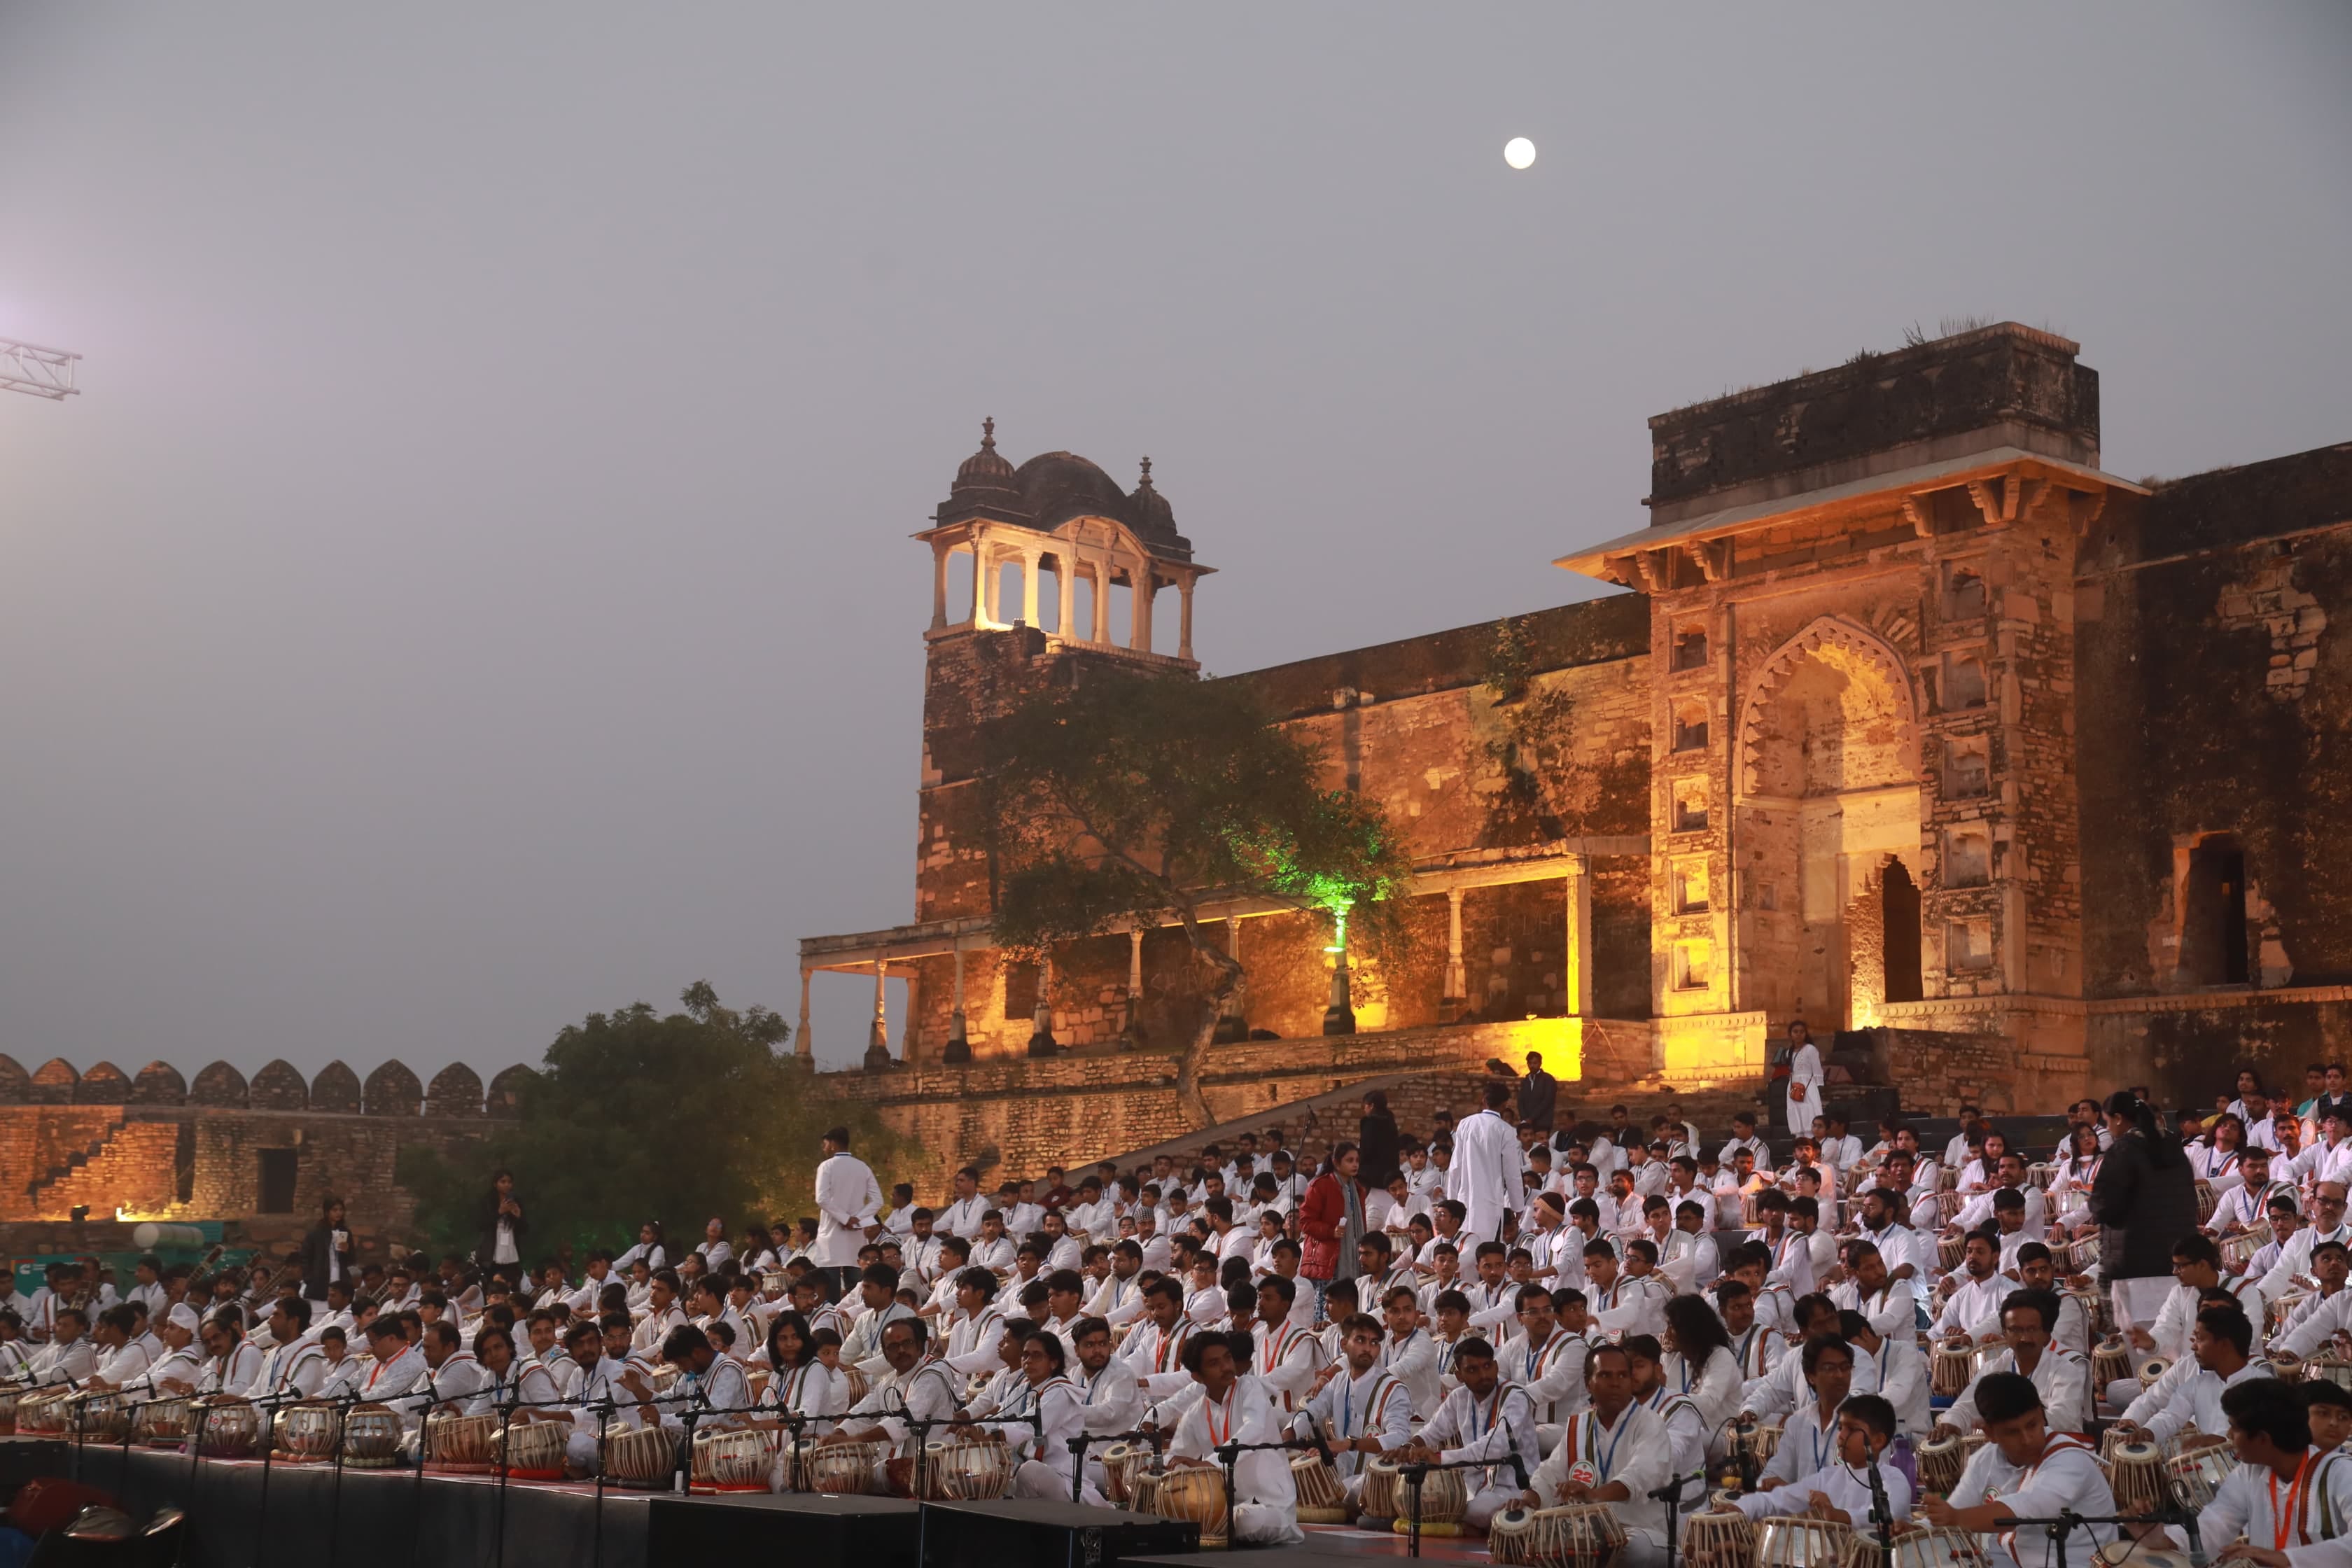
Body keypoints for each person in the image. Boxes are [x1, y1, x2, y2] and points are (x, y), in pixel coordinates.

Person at [1924, 1371, 2116, 1568]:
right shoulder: (1985, 1459)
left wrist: (1956, 1519)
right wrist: (1915, 1529)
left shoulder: (2071, 1460)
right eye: (2012, 1432)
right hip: (2011, 1560)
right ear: (1990, 1433)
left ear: (2042, 1415)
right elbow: (1955, 1509)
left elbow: (2025, 1509)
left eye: (2032, 1425)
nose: (2027, 1439)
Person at [1520, 1342, 1672, 1564]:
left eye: (1622, 1376)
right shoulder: (1578, 1425)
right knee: (1533, 1540)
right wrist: (1529, 1501)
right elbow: (1549, 1473)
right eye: (1605, 1375)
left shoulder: (1650, 1423)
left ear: (1631, 1381)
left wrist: (1593, 1495)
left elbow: (1641, 1475)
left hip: (1641, 1529)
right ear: (1588, 1384)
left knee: (1631, 1548)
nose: (1615, 1383)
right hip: (1587, 1531)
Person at [1161, 1331, 1303, 1544]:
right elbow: (1177, 1457)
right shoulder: (1196, 1413)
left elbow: (1252, 1430)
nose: (1227, 1367)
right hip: (1222, 1506)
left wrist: (1206, 1466)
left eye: (1228, 1358)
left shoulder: (1249, 1387)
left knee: (1246, 1520)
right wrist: (1158, 1470)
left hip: (1270, 1507)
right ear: (1198, 1377)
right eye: (1214, 1363)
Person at [2090, 1090, 2200, 1328]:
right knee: (2173, 1346)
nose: (2108, 1129)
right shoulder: (2175, 1151)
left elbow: (2103, 1207)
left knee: (2141, 1353)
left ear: (2119, 1118)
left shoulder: (2123, 1151)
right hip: (2177, 1265)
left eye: (2107, 1122)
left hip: (2134, 1264)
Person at [1298, 1143, 1368, 1322]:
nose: (1355, 1165)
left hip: (1352, 1253)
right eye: (1350, 1161)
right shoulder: (1320, 1185)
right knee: (1327, 1312)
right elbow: (1306, 1222)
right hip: (1328, 1257)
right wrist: (1331, 1231)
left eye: (1357, 1161)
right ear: (1337, 1163)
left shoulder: (1358, 1188)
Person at [813, 1126, 883, 1297]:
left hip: (831, 1235)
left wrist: (845, 1219)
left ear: (833, 1144)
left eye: (825, 1144)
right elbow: (878, 1201)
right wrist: (857, 1219)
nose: (824, 1148)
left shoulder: (827, 1166)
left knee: (830, 1294)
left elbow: (821, 1198)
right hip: (855, 1235)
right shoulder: (863, 1167)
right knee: (857, 1290)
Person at [1453, 1082, 1525, 1245]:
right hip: (1491, 1201)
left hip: (1465, 1198)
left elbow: (1455, 1166)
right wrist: (1517, 1206)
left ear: (1483, 1100)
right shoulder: (1505, 1130)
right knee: (1487, 1249)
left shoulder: (1465, 1124)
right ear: (1505, 1104)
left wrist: (1452, 1201)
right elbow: (1512, 1173)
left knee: (1464, 1247)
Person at [300, 1198, 355, 1304]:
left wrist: (346, 1251)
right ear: (327, 1212)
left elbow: (352, 1260)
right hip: (320, 1277)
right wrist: (309, 1278)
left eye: (340, 1210)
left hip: (339, 1274)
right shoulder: (316, 1233)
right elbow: (305, 1257)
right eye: (335, 1210)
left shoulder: (345, 1232)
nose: (338, 1213)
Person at [480, 1170, 527, 1289]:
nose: (507, 1185)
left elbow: (525, 1229)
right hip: (493, 1253)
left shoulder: (516, 1201)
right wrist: (499, 1212)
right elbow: (481, 1225)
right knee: (493, 1286)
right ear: (495, 1184)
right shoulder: (487, 1202)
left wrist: (518, 1217)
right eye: (503, 1182)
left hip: (511, 1251)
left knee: (512, 1286)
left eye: (509, 1182)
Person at [1784, 1021, 1823, 1140]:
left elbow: (1817, 1071)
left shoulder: (1811, 1049)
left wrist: (1819, 1087)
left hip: (1808, 1087)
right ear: (1790, 1034)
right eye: (1795, 1032)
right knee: (1796, 1115)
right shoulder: (1788, 1052)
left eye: (1802, 1032)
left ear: (1806, 1034)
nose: (1798, 1034)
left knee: (1809, 1114)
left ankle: (1812, 1143)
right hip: (1793, 1086)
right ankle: (1799, 1143)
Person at [1359, 1091, 1402, 1189]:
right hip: (1389, 1175)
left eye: (1365, 1106)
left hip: (1372, 1177)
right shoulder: (1391, 1122)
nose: (1364, 1109)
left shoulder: (1370, 1123)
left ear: (1372, 1106)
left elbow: (1367, 1150)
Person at [1518, 1053, 1559, 1133]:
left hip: (1543, 1123)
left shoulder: (1548, 1079)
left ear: (1540, 1063)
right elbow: (1520, 1101)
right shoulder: (1525, 1081)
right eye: (1530, 1063)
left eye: (1535, 1063)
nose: (1532, 1066)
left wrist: (1532, 1118)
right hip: (1528, 1124)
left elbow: (1547, 1101)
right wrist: (1524, 1119)